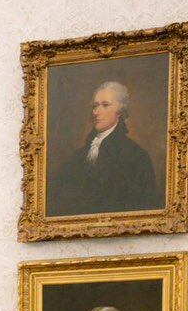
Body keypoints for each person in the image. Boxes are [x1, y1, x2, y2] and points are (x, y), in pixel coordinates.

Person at [45, 80, 160, 217]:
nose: (96, 112)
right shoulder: (80, 155)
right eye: (95, 106)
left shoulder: (135, 155)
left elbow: (144, 205)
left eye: (105, 105)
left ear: (120, 111)